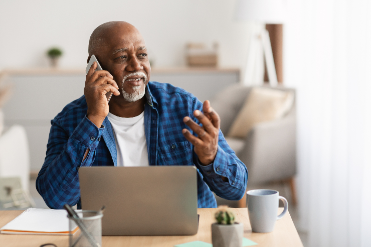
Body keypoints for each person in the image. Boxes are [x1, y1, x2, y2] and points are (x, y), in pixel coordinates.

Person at [36, 21, 248, 209]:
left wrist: (210, 156)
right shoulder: (69, 120)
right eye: (122, 57)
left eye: (142, 55)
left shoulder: (184, 107)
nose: (137, 66)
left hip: (183, 237)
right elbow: (56, 199)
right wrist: (93, 119)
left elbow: (236, 190)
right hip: (108, 238)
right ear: (95, 67)